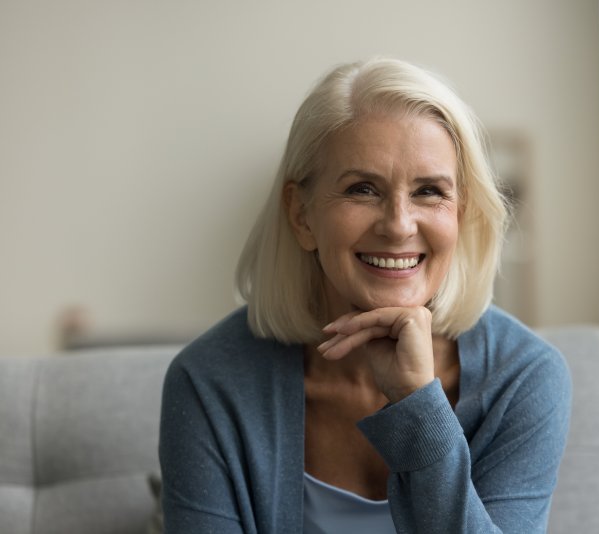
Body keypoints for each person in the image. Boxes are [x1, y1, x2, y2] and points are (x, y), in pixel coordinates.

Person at [159, 58, 571, 534]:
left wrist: (418, 403)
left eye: (429, 191)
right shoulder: (209, 382)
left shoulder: (525, 377)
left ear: (460, 213)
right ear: (302, 216)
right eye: (362, 189)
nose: (398, 225)